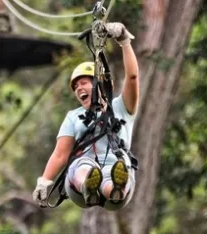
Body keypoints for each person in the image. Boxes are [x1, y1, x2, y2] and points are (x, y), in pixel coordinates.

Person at [32, 22, 140, 211]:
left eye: (84, 83)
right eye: (76, 87)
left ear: (102, 82)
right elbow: (60, 154)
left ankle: (115, 188)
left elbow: (132, 77)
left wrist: (124, 41)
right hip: (78, 181)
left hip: (116, 167)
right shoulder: (73, 117)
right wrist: (44, 181)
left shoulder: (121, 107)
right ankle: (89, 187)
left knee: (114, 172)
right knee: (83, 165)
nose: (79, 89)